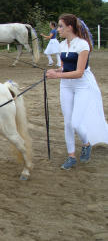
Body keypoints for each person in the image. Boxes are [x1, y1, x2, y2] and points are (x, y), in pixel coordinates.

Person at [46, 13, 108, 170]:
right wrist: (54, 71)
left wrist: (57, 75)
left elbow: (79, 72)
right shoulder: (61, 45)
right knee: (67, 122)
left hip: (82, 86)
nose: (58, 29)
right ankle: (71, 156)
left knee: (76, 122)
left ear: (69, 27)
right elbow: (64, 67)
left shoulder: (83, 45)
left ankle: (86, 144)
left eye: (60, 26)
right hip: (66, 85)